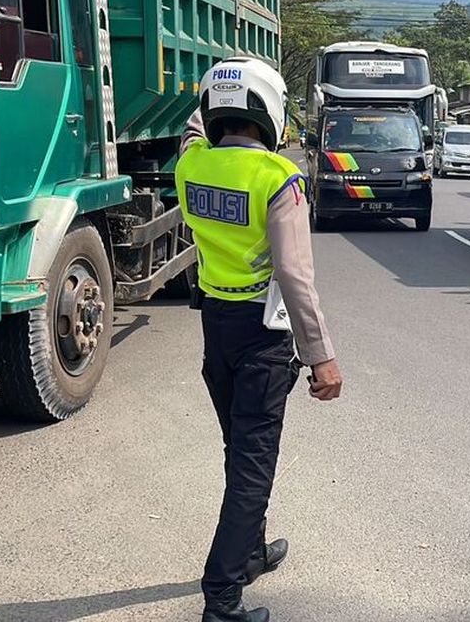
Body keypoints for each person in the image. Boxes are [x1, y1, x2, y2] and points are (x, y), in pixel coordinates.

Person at [177, 57, 344, 622]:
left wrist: (216, 86)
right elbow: (295, 277)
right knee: (253, 465)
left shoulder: (191, 166)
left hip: (216, 328)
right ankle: (222, 599)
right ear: (270, 111)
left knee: (240, 448)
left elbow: (192, 131)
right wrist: (321, 358)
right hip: (261, 338)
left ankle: (250, 553)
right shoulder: (278, 179)